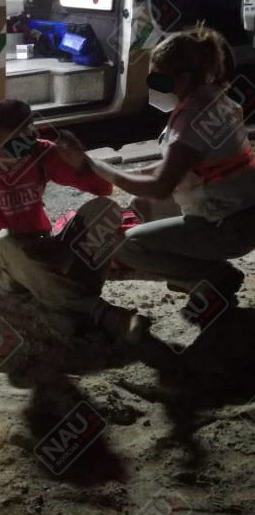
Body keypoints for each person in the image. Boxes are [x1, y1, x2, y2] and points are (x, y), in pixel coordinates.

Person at [58, 25, 255, 323]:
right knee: (140, 207)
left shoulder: (192, 118)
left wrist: (94, 165)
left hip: (229, 226)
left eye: (159, 79)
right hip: (237, 210)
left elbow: (161, 186)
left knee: (126, 244)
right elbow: (176, 167)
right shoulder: (214, 98)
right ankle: (197, 273)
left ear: (185, 79)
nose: (154, 87)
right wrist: (120, 173)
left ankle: (215, 276)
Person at [0, 98, 151, 343]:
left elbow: (103, 189)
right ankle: (103, 313)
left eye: (27, 140)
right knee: (7, 239)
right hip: (0, 265)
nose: (21, 152)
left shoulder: (40, 153)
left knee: (106, 211)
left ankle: (66, 305)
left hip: (41, 249)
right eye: (12, 146)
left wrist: (82, 163)